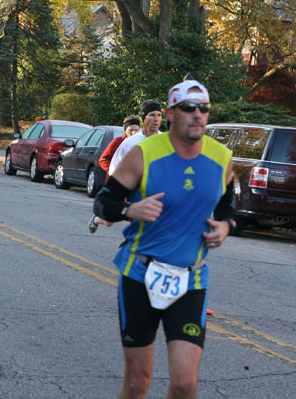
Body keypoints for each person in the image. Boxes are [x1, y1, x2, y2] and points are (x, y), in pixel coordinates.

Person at [92, 79, 233, 399]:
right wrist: (130, 210)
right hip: (141, 273)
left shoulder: (221, 157)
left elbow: (228, 204)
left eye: (204, 109)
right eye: (188, 108)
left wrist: (225, 226)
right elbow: (103, 203)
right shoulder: (144, 154)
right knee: (138, 381)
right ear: (170, 113)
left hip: (190, 278)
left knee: (185, 385)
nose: (197, 114)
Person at [88, 115, 141, 233]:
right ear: (125, 130)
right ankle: (96, 219)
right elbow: (103, 159)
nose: (133, 133)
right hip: (116, 185)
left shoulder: (141, 142)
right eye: (130, 130)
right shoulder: (118, 142)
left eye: (136, 130)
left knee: (132, 217)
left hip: (132, 186)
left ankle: (131, 242)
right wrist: (115, 172)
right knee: (109, 222)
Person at [109, 100, 164, 176]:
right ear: (143, 118)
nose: (156, 119)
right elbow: (114, 169)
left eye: (159, 115)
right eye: (152, 115)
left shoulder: (166, 141)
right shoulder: (130, 142)